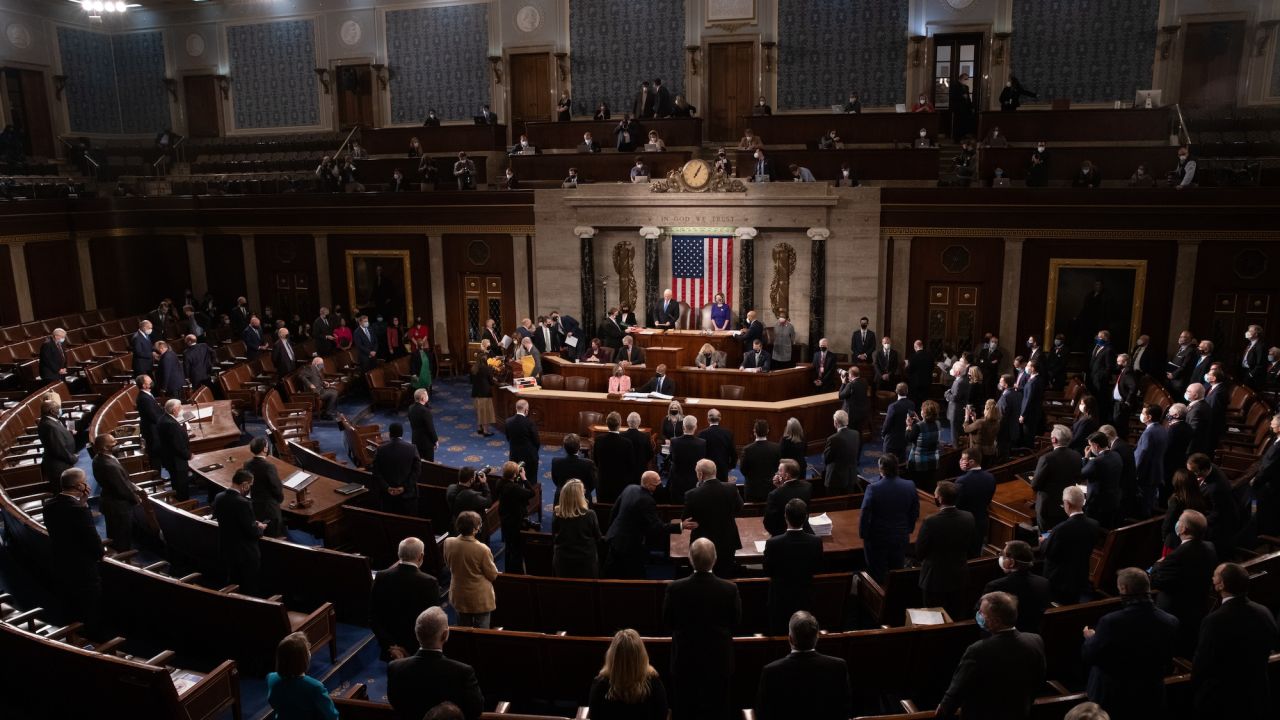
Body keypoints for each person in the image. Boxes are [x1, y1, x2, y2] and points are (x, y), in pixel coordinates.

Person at [1080, 567, 1178, 720]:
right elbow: (1167, 658)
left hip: (1113, 697)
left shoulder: (1111, 622)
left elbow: (1090, 655)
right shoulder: (1170, 621)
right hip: (1150, 695)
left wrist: (1091, 638)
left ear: (1123, 588)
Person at [936, 591, 1046, 719]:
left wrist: (943, 709)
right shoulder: (1035, 640)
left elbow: (957, 692)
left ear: (996, 621)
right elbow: (1039, 681)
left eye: (982, 613)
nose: (979, 615)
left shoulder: (978, 650)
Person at [663, 538, 740, 720]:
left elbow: (668, 622)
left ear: (690, 558)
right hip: (719, 660)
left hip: (685, 659)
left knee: (685, 709)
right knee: (718, 709)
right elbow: (735, 622)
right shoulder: (729, 589)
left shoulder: (675, 589)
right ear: (715, 559)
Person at [1191, 562, 1279, 717]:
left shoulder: (1214, 621)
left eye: (1215, 576)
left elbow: (1202, 665)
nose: (1212, 579)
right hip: (1258, 693)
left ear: (1221, 585)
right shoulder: (1264, 611)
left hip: (1224, 700)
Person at [387, 606, 485, 720]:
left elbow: (395, 703)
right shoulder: (463, 672)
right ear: (445, 635)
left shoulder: (395, 667)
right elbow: (476, 710)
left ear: (417, 633)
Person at [756, 611, 851, 720]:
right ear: (817, 637)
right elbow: (844, 711)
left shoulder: (771, 672)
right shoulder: (838, 667)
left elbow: (763, 715)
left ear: (790, 639)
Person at [1151, 509, 1217, 657]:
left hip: (1173, 611)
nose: (1177, 523)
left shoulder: (1176, 556)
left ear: (1183, 528)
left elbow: (1157, 581)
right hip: (1198, 608)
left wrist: (1157, 565)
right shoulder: (1210, 547)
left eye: (1179, 520)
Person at [44, 468, 104, 628]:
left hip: (60, 562)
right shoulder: (79, 511)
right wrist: (100, 554)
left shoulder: (49, 505)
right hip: (82, 569)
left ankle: (74, 630)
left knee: (69, 603)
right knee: (90, 607)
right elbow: (92, 539)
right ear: (80, 486)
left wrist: (82, 502)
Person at [605, 471, 692, 578]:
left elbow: (614, 511)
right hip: (629, 546)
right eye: (658, 483)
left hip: (614, 537)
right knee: (636, 578)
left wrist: (611, 529)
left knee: (610, 575)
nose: (660, 486)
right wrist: (681, 526)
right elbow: (657, 527)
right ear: (650, 486)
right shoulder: (646, 500)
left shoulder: (630, 488)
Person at [371, 537, 442, 661]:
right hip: (417, 650)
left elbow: (373, 616)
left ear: (399, 554)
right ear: (421, 556)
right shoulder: (429, 582)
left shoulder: (381, 577)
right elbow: (431, 622)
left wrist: (392, 646)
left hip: (391, 651)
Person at [762, 495, 824, 630]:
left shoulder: (773, 543)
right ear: (806, 517)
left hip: (779, 599)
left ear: (785, 517)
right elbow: (817, 567)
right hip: (804, 597)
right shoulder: (816, 542)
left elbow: (767, 570)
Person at [916, 481, 976, 618]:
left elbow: (920, 552)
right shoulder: (969, 517)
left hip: (934, 579)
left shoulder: (930, 522)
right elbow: (971, 546)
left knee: (934, 618)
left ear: (940, 499)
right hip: (959, 576)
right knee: (956, 615)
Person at [860, 455, 919, 583]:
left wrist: (863, 534)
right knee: (897, 571)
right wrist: (908, 529)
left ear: (881, 469)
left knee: (876, 573)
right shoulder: (910, 485)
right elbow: (914, 511)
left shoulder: (873, 488)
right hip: (900, 536)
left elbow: (865, 513)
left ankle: (879, 598)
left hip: (877, 538)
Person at [588, 629, 669, 720]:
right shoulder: (654, 684)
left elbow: (594, 716)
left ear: (612, 656)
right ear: (642, 655)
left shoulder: (600, 686)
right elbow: (663, 715)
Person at [1042, 485, 1101, 604]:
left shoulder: (1060, 529)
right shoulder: (1094, 524)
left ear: (1067, 504)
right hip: (1080, 575)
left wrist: (1043, 542)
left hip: (1059, 580)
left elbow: (1047, 552)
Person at [213, 469, 266, 595]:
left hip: (227, 549)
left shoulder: (219, 497)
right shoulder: (242, 503)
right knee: (249, 586)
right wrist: (260, 527)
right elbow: (252, 532)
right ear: (245, 485)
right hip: (245, 553)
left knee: (233, 581)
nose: (250, 489)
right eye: (250, 486)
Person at [267, 631, 340, 720]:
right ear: (303, 659)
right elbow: (331, 716)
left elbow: (273, 702)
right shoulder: (315, 687)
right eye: (307, 650)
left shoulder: (271, 678)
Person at [443, 510, 498, 628]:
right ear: (474, 529)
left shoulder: (448, 542)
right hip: (479, 598)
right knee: (482, 634)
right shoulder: (482, 549)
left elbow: (448, 564)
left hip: (458, 595)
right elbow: (493, 575)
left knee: (464, 631)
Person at [983, 540, 1051, 633]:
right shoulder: (1044, 583)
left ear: (1011, 562)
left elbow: (982, 615)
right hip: (1034, 635)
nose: (1001, 557)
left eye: (1003, 555)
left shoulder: (995, 586)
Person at [1187, 452, 1242, 558]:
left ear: (1203, 470)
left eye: (1194, 472)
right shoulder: (1211, 467)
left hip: (1222, 525)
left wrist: (1198, 521)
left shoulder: (1216, 488)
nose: (1191, 475)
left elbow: (1218, 513)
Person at [92, 434, 140, 552]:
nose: (117, 443)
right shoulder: (109, 465)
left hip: (111, 502)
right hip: (118, 506)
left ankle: (119, 556)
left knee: (115, 534)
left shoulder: (99, 458)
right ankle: (124, 559)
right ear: (104, 448)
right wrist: (136, 499)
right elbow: (122, 488)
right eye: (113, 443)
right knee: (122, 536)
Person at [1031, 425, 1081, 530]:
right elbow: (1077, 478)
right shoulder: (1076, 456)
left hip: (1047, 507)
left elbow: (1035, 485)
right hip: (1067, 504)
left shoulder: (1046, 458)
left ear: (1054, 439)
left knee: (1045, 538)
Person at [552, 479, 602, 579]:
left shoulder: (557, 514)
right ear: (579, 497)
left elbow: (554, 537)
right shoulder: (590, 515)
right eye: (583, 492)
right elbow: (598, 538)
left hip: (562, 562)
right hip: (586, 562)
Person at [372, 423, 420, 516]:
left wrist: (387, 488)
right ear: (402, 434)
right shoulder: (412, 448)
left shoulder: (380, 449)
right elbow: (416, 472)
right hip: (408, 496)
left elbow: (376, 472)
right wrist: (404, 487)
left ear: (390, 434)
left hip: (387, 497)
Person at [955, 448, 996, 556]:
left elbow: (957, 505)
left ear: (971, 462)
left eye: (963, 459)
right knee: (976, 554)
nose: (961, 461)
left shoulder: (961, 481)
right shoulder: (990, 477)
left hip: (964, 524)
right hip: (981, 521)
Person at [496, 461, 535, 573]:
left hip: (505, 518)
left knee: (509, 546)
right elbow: (532, 493)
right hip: (515, 520)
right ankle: (517, 572)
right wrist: (524, 478)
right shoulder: (514, 488)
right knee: (517, 548)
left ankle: (508, 569)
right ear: (514, 474)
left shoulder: (500, 483)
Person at [241, 437, 284, 538]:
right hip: (269, 507)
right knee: (274, 533)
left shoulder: (247, 464)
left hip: (254, 504)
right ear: (265, 449)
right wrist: (279, 499)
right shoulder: (269, 466)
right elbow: (276, 487)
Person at [1081, 432, 1122, 529]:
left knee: (1093, 530)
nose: (1090, 448)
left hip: (1097, 505)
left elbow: (1082, 474)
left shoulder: (1096, 462)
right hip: (1113, 501)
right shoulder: (1117, 455)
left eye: (1090, 445)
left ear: (1096, 446)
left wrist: (1085, 458)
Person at [37, 397, 77, 493]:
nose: (60, 410)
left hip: (61, 463)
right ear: (52, 411)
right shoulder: (49, 426)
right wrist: (72, 458)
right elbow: (58, 449)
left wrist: (67, 434)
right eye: (58, 408)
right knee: (65, 492)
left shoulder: (50, 422)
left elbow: (57, 438)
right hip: (59, 466)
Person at [592, 414, 634, 502]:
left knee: (602, 508)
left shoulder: (599, 440)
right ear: (620, 424)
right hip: (621, 483)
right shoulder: (627, 443)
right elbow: (631, 465)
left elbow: (595, 461)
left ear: (607, 424)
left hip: (603, 481)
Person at [157, 398, 193, 501]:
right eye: (180, 407)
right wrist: (188, 455)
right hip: (177, 461)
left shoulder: (163, 418)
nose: (182, 409)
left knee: (176, 484)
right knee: (181, 487)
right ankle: (184, 505)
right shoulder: (172, 424)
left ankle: (179, 502)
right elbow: (177, 445)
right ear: (174, 410)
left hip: (169, 459)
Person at [668, 415, 706, 502]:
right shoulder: (702, 443)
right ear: (695, 427)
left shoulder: (674, 441)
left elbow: (672, 458)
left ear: (683, 427)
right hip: (694, 479)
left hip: (678, 479)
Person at [552, 432, 598, 504]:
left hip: (562, 498)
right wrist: (583, 490)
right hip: (583, 498)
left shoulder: (556, 462)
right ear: (579, 447)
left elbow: (556, 481)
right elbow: (593, 484)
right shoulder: (588, 464)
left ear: (564, 447)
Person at [446, 467, 491, 536]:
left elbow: (461, 488)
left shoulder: (450, 488)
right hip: (471, 528)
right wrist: (484, 484)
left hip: (456, 523)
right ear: (471, 480)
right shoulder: (472, 496)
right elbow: (488, 503)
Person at [504, 398, 540, 483]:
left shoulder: (508, 421)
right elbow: (536, 441)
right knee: (531, 479)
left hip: (514, 455)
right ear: (526, 410)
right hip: (529, 456)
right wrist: (534, 451)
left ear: (516, 408)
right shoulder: (530, 423)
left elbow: (508, 438)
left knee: (515, 478)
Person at [906, 400, 942, 482]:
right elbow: (926, 428)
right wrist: (919, 420)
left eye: (922, 409)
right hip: (933, 461)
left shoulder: (917, 427)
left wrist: (908, 426)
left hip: (919, 463)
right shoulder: (938, 423)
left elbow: (909, 438)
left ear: (924, 413)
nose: (921, 411)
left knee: (917, 485)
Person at [402, 388, 440, 463]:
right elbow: (430, 428)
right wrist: (435, 440)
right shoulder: (425, 411)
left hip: (415, 439)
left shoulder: (410, 408)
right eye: (426, 395)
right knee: (428, 464)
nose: (427, 396)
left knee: (418, 463)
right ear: (423, 398)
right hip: (426, 443)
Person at [699, 409, 737, 482]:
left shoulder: (702, 434)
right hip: (723, 468)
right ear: (720, 419)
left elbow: (700, 454)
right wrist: (729, 467)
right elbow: (733, 453)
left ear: (708, 419)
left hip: (707, 469)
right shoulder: (728, 434)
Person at [881, 383, 915, 462]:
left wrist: (883, 433)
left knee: (888, 461)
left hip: (892, 439)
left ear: (896, 391)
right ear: (907, 391)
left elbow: (887, 423)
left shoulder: (893, 406)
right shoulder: (911, 404)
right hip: (904, 437)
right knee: (901, 460)